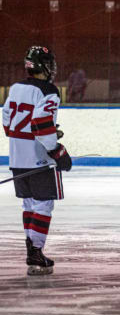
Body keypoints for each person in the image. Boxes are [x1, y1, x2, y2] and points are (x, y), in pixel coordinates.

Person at [2, 46, 72, 276]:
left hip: (17, 155)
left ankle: (32, 249)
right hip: (38, 158)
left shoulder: (16, 87)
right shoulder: (49, 90)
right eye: (49, 63)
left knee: (29, 204)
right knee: (43, 204)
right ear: (43, 66)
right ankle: (35, 251)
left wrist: (35, 134)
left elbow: (7, 120)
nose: (52, 68)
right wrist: (58, 151)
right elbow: (41, 124)